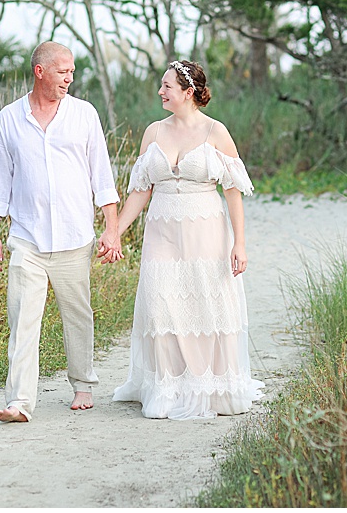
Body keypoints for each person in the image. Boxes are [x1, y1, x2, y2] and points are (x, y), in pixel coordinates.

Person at [101, 60, 264, 419]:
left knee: (206, 305)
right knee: (160, 306)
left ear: (188, 92)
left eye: (167, 87)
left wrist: (240, 243)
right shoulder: (153, 132)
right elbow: (140, 191)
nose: (160, 92)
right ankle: (166, 386)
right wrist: (115, 233)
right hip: (162, 231)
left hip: (205, 229)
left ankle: (210, 385)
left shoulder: (216, 132)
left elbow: (233, 190)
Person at [0, 41, 123, 423]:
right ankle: (19, 401)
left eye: (73, 72)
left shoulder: (83, 115)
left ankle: (82, 384)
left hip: (74, 237)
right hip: (26, 239)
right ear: (40, 71)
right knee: (23, 319)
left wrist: (112, 229)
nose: (70, 78)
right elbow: (0, 181)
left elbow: (102, 176)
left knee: (77, 314)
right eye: (63, 71)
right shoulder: (9, 119)